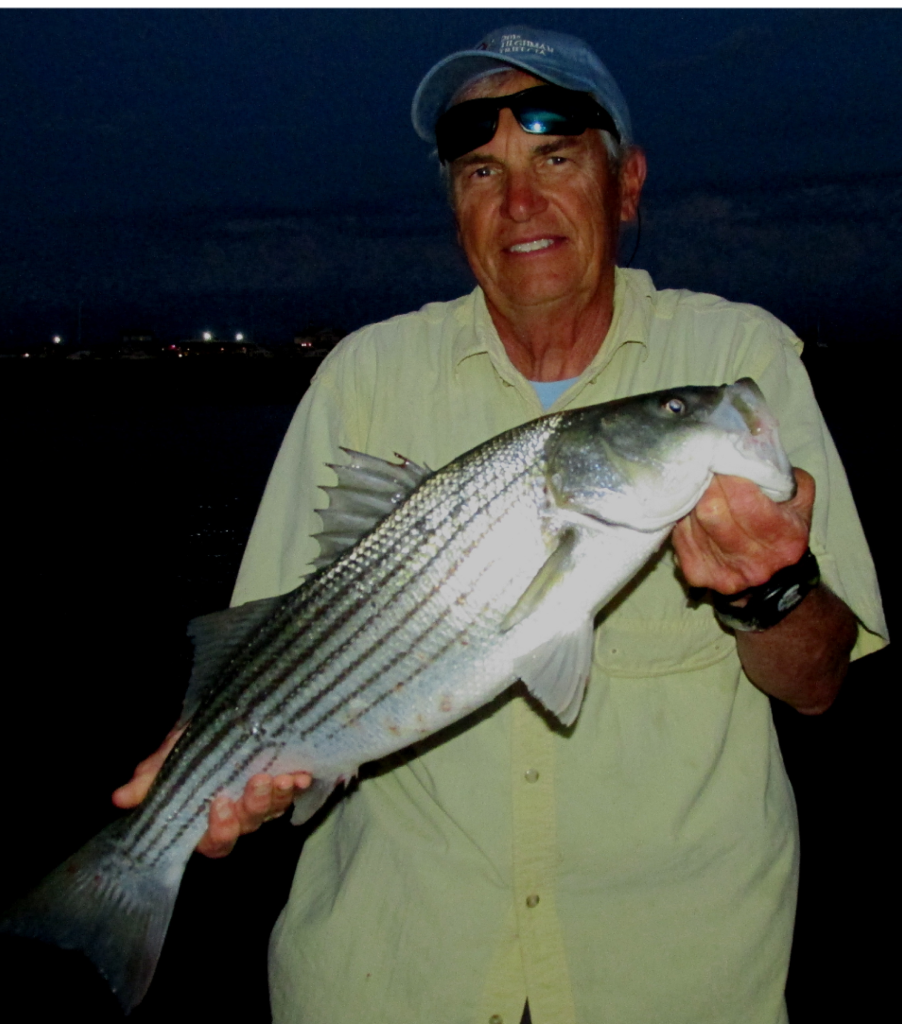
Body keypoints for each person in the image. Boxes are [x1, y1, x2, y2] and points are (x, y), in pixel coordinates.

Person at [116, 26, 886, 1024]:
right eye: (481, 170)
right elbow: (271, 645)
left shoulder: (739, 357)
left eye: (555, 158)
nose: (518, 203)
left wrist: (768, 589)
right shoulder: (363, 380)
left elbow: (817, 680)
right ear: (455, 207)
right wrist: (224, 765)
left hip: (671, 985)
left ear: (626, 184)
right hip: (391, 983)